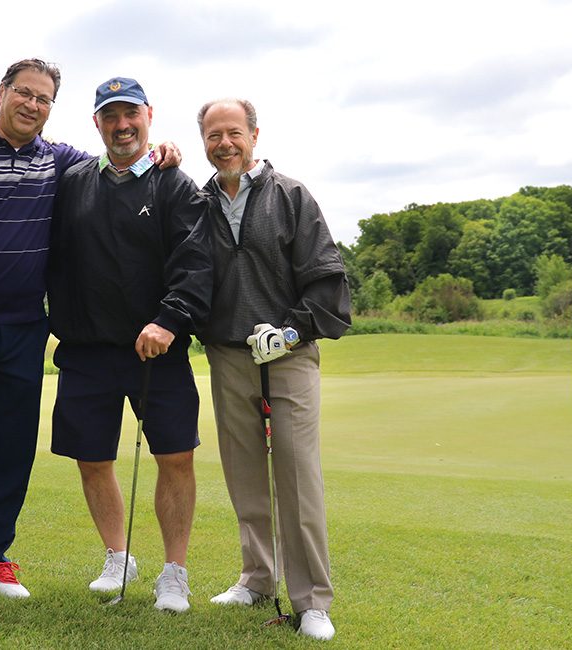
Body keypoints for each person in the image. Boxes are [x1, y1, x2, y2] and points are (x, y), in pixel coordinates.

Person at [0, 61, 182, 610]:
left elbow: (118, 162)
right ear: (1, 93)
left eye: (44, 99)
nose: (32, 105)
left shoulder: (58, 160)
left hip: (26, 329)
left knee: (10, 446)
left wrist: (160, 152)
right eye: (24, 94)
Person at [47, 77, 211, 613]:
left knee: (175, 456)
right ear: (96, 122)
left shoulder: (175, 184)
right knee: (92, 460)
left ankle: (174, 572)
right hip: (87, 349)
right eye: (110, 116)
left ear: (149, 115)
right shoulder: (73, 180)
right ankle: (118, 557)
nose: (122, 126)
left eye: (131, 115)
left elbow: (195, 262)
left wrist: (169, 320)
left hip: (155, 349)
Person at [195, 98, 351, 640]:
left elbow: (327, 282)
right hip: (228, 355)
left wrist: (290, 330)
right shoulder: (198, 201)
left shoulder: (290, 195)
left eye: (234, 133)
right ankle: (257, 578)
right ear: (204, 142)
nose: (225, 144)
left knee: (298, 477)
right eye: (214, 136)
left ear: (255, 135)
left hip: (288, 354)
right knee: (244, 475)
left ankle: (311, 601)